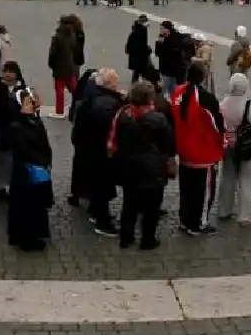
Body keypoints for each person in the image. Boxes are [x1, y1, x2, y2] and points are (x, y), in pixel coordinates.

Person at [111, 80, 175, 250]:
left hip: (129, 167)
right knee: (151, 208)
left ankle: (126, 237)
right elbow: (168, 143)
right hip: (152, 169)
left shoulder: (123, 116)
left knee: (129, 204)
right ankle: (147, 239)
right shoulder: (158, 119)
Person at [171, 62, 225, 234]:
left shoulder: (179, 92)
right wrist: (222, 143)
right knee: (203, 192)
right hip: (203, 153)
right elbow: (218, 126)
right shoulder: (206, 98)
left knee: (186, 188)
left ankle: (185, 220)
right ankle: (198, 223)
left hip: (184, 150)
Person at [71, 67, 126, 236]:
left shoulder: (91, 99)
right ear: (109, 85)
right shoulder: (108, 106)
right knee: (103, 186)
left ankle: (96, 213)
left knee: (97, 186)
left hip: (89, 151)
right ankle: (103, 222)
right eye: (116, 82)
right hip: (102, 153)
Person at [216, 72, 251, 225]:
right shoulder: (249, 105)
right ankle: (245, 215)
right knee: (246, 180)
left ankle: (224, 210)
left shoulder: (223, 104)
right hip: (246, 147)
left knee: (227, 178)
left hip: (228, 147)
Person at [6, 93, 53, 251]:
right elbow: (22, 150)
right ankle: (26, 238)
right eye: (27, 103)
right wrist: (39, 160)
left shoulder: (35, 121)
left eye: (32, 102)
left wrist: (46, 160)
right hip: (25, 173)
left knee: (37, 205)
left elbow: (44, 143)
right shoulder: (16, 126)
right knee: (25, 206)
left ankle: (37, 233)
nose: (31, 105)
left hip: (38, 169)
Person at [47, 16, 78, 119]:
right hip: (70, 67)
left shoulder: (57, 37)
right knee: (74, 89)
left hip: (59, 68)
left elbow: (53, 54)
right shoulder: (72, 36)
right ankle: (79, 105)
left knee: (59, 90)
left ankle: (59, 111)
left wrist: (51, 64)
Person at [124, 15, 152, 84]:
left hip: (137, 57)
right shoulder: (139, 32)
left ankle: (136, 87)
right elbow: (139, 46)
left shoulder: (141, 29)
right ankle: (138, 88)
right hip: (139, 57)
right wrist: (147, 50)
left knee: (137, 73)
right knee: (141, 73)